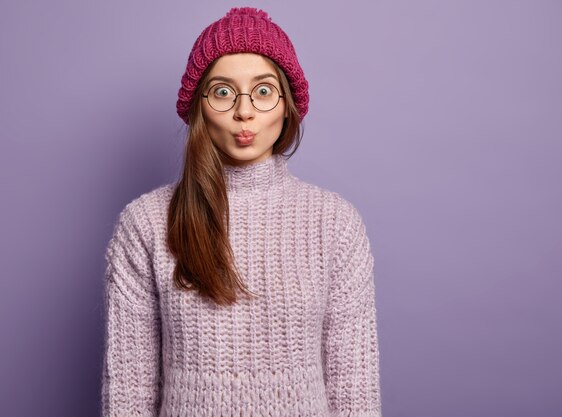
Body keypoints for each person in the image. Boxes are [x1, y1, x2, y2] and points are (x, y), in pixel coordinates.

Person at [101, 7, 381, 417]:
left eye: (264, 91)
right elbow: (129, 391)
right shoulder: (146, 222)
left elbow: (354, 390)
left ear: (287, 106)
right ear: (199, 106)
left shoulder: (335, 223)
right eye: (223, 91)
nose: (244, 111)